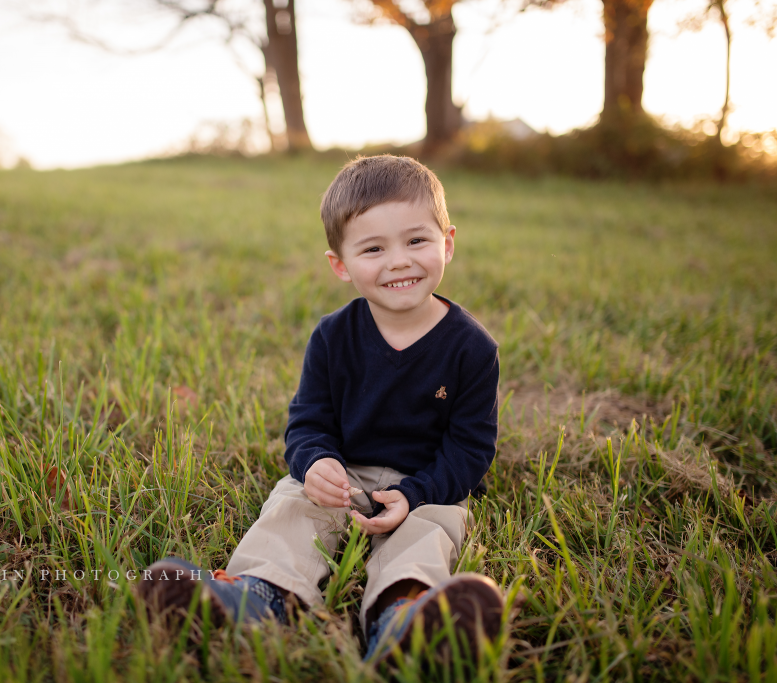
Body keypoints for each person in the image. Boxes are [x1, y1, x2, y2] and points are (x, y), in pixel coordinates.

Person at [138, 155, 512, 665]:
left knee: (427, 530)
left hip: (426, 479)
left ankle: (405, 619)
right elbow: (308, 420)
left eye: (416, 240)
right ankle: (258, 596)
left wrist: (415, 492)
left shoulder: (472, 349)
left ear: (447, 242)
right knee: (293, 506)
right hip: (343, 471)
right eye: (373, 248)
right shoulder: (333, 337)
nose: (399, 260)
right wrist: (315, 463)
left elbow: (470, 450)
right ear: (341, 264)